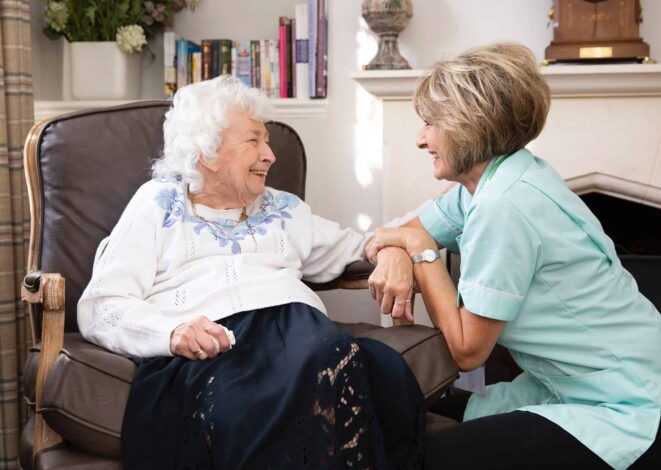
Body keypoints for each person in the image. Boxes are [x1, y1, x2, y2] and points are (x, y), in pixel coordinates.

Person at [365, 42, 661, 469]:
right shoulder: (495, 181)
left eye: (430, 123)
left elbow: (468, 352)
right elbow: (404, 230)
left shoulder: (503, 204)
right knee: (406, 424)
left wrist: (423, 254)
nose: (420, 139)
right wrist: (400, 249)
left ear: (469, 125)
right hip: (583, 390)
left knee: (433, 458)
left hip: (639, 409)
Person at [77, 75, 425, 470]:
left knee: (374, 370)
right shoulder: (157, 204)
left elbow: (358, 245)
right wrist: (172, 333)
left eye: (269, 141)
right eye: (254, 140)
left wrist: (394, 246)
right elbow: (101, 306)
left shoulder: (285, 209)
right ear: (207, 153)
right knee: (309, 374)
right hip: (215, 348)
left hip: (302, 335)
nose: (270, 155)